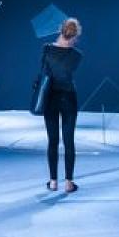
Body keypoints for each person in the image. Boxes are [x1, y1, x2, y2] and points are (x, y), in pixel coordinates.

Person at [41, 18, 83, 193]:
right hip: (68, 99)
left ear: (61, 31)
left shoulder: (47, 49)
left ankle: (53, 182)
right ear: (75, 35)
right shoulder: (77, 55)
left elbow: (44, 73)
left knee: (52, 141)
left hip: (50, 98)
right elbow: (66, 72)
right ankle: (68, 183)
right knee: (69, 141)